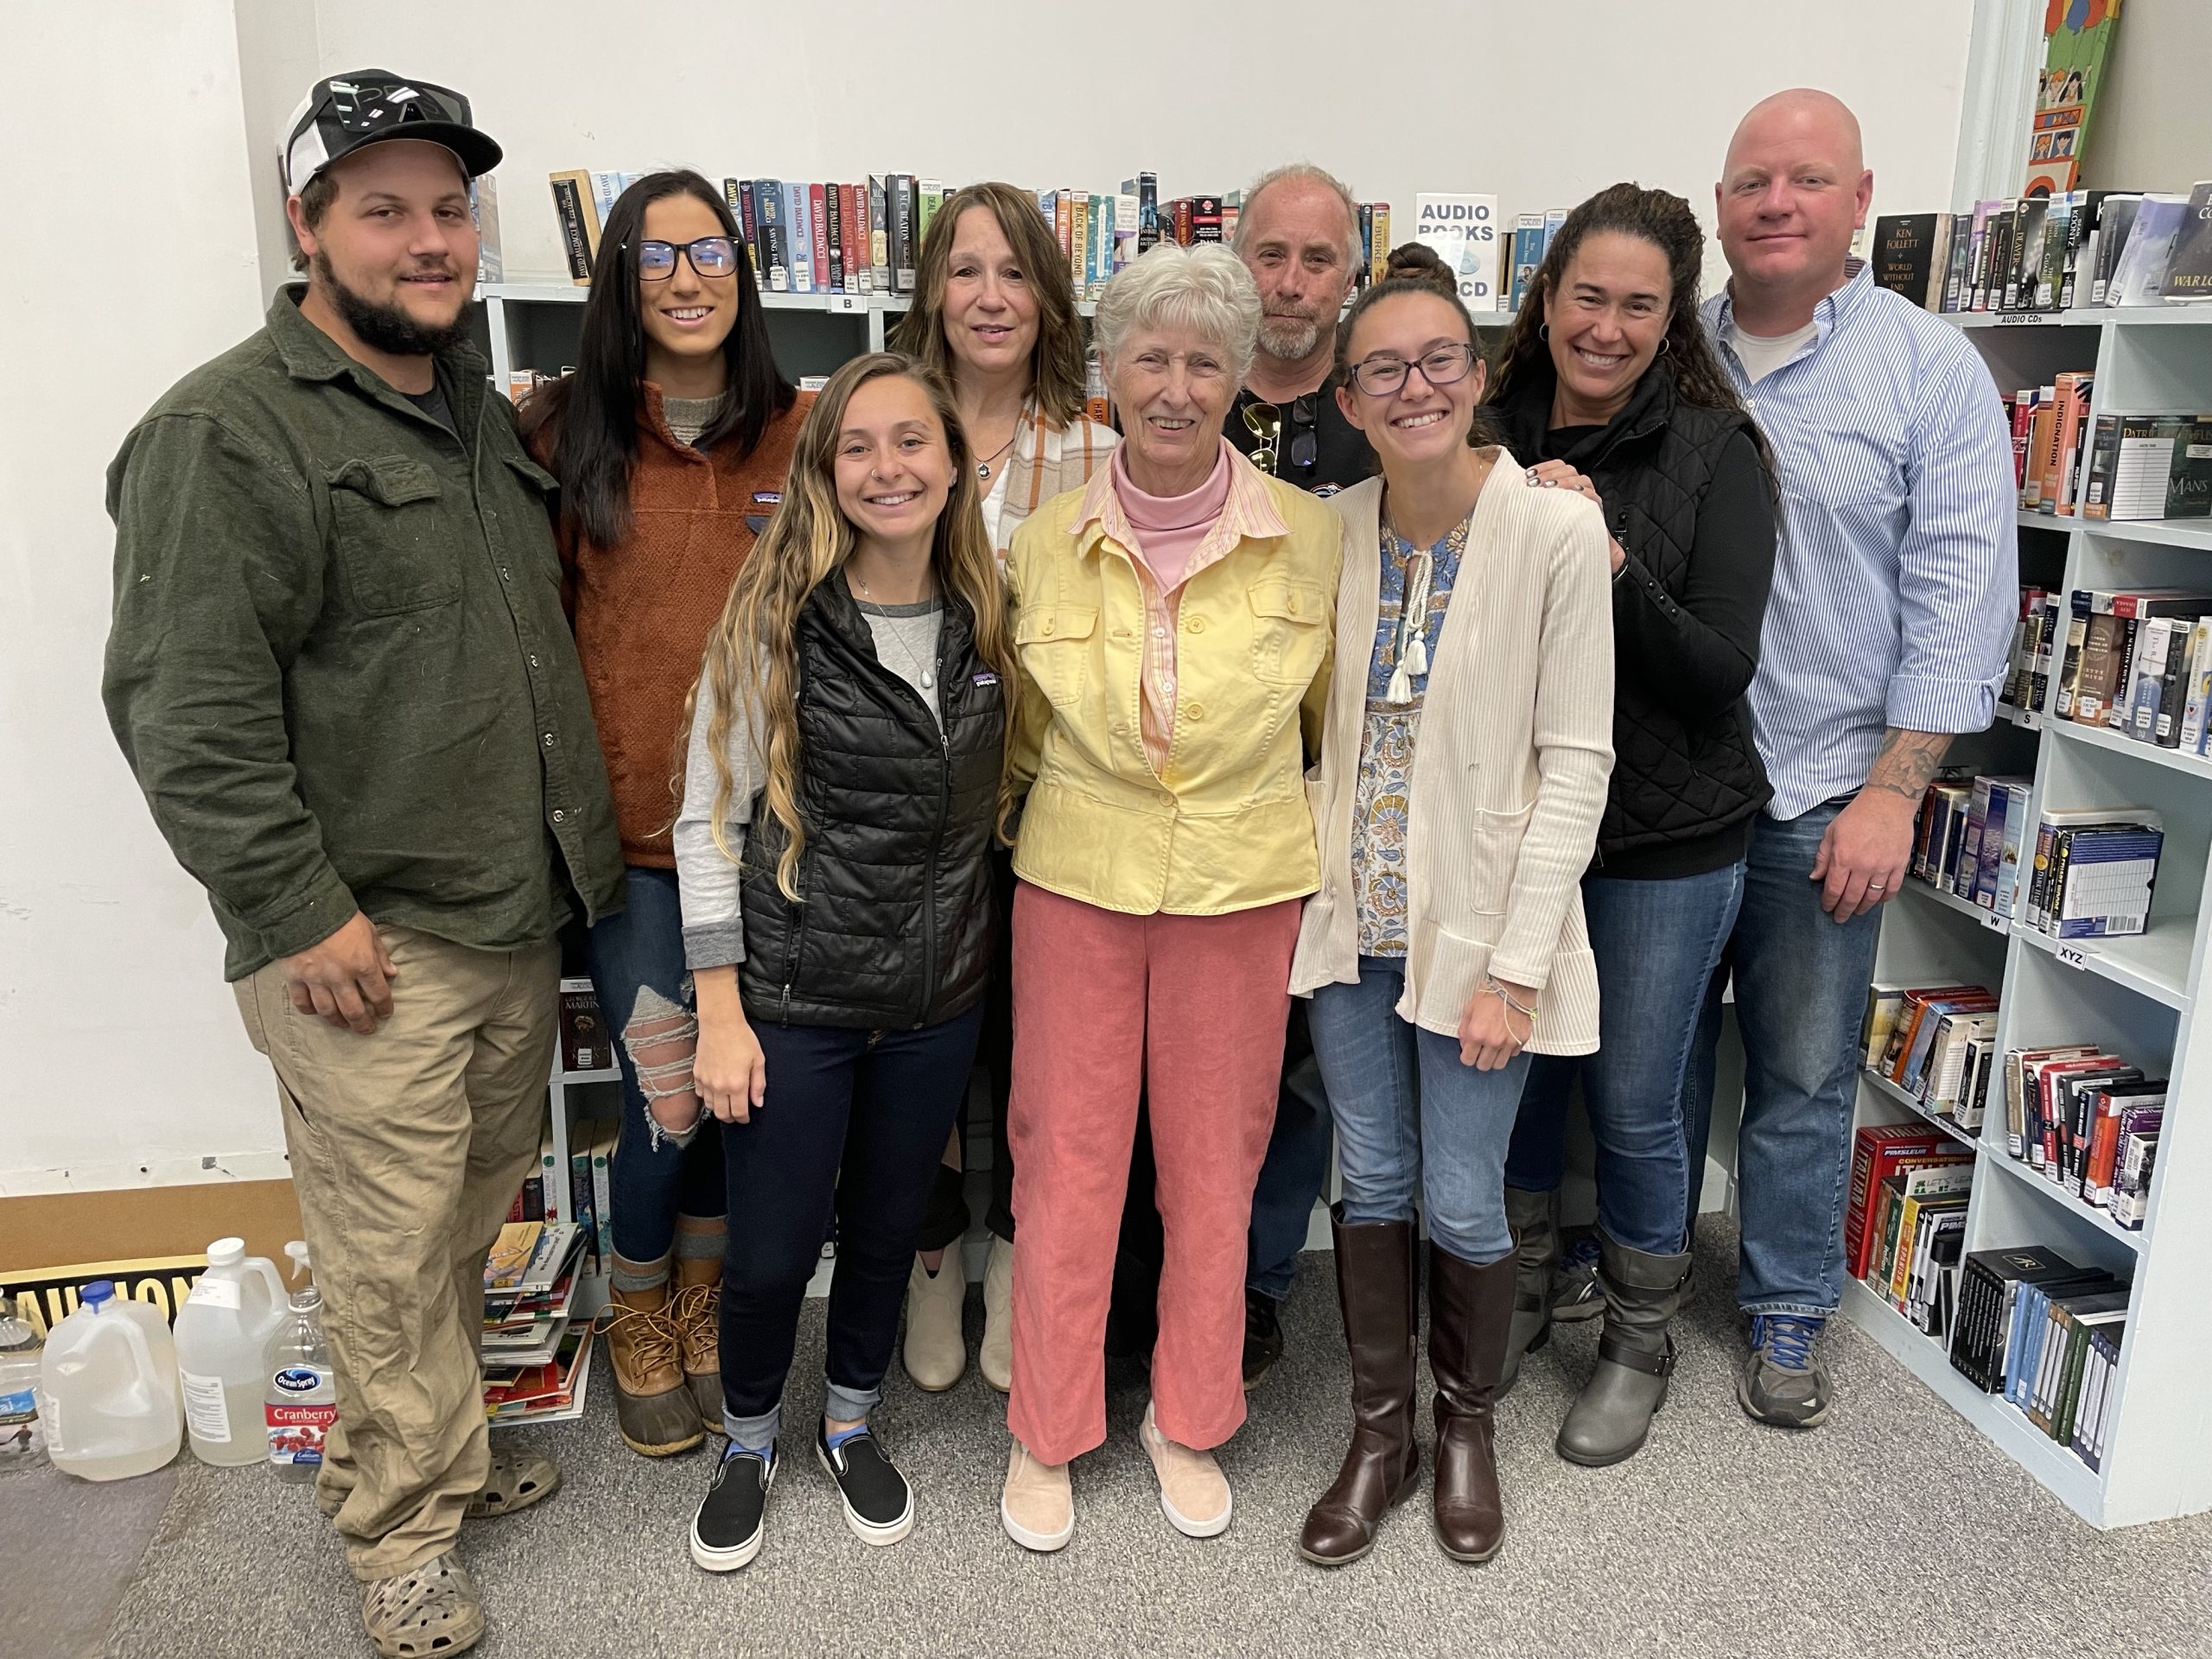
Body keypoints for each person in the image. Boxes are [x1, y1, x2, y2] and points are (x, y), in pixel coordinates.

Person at [102, 73, 620, 1659]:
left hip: (508, 912)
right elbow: (182, 710)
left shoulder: (466, 402)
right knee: (389, 1257)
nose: (430, 240)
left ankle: (440, 1460)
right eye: (384, 208)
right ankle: (398, 1532)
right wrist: (294, 912)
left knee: (462, 1226)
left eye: (450, 209)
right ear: (306, 223)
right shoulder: (225, 431)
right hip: (364, 941)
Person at [996, 244, 1343, 1553]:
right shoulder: (1043, 540)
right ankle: (1049, 1429)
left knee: (1215, 1167)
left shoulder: (1311, 539)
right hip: (1075, 881)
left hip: (1240, 890)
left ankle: (1188, 1419)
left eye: (1206, 360)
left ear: (1242, 374)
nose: (1179, 387)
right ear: (1109, 373)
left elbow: (1328, 731)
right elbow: (1018, 742)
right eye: (1153, 357)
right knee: (1065, 1163)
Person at [1290, 248, 1615, 1567]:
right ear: (1351, 395)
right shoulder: (1330, 526)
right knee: (1371, 1175)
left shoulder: (1555, 528)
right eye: (1383, 369)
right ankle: (1383, 1433)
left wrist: (1521, 968)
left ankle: (1465, 1427)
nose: (1414, 385)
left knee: (1468, 1201)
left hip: (1483, 936)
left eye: (1439, 360)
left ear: (1479, 378)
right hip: (1348, 924)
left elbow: (1578, 760)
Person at [1694, 89, 2013, 1427]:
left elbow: (1961, 583)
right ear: (1718, 205)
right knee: (1626, 1066)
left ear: (1861, 198)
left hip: (1827, 788)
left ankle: (1784, 1305)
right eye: (1753, 180)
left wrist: (1897, 788)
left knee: (1807, 1070)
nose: (1777, 202)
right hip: (1661, 791)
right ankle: (1613, 1270)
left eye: (1807, 180)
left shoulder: (1928, 367)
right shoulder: (1671, 351)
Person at [674, 353, 1009, 1570]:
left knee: (885, 1234)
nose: (888, 468)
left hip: (935, 1003)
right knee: (768, 1254)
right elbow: (707, 815)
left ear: (953, 462)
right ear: (824, 474)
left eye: (911, 441)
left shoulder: (991, 613)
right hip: (795, 1000)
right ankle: (751, 1439)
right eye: (857, 446)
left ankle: (852, 1423)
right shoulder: (775, 618)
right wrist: (721, 1011)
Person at [1488, 184, 1779, 1467]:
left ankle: (1639, 1335)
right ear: (1546, 300)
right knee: (1522, 1078)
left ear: (1675, 321)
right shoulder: (1482, 432)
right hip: (1514, 828)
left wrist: (1607, 558)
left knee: (1639, 1099)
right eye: (1585, 297)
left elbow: (1719, 670)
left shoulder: (1722, 454)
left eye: (1638, 305)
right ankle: (1530, 1285)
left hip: (1669, 839)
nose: (1605, 327)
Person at [519, 169, 806, 1458]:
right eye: (654, 254)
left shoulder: (804, 431)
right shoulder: (556, 432)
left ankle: (701, 1298)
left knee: (748, 1096)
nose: (686, 277)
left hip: (780, 842)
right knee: (666, 1100)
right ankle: (634, 1299)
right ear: (617, 279)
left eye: (709, 251)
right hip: (634, 846)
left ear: (743, 273)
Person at [887, 182, 1116, 1395]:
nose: (989, 296)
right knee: (917, 1052)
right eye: (966, 270)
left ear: (1047, 297)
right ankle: (932, 1254)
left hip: (1050, 815)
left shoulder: (1103, 443)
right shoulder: (879, 422)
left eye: (1014, 273)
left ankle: (1023, 1258)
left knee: (1043, 1063)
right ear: (931, 288)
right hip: (904, 818)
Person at [1221, 162, 1378, 1386]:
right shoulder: (1185, 391)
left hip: (1335, 797)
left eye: (1316, 259)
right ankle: (1169, 1278)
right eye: (1271, 254)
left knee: (1300, 1069)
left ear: (1351, 269)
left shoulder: (1386, 408)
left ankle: (1260, 1284)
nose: (1290, 281)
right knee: (1188, 1062)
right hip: (1197, 792)